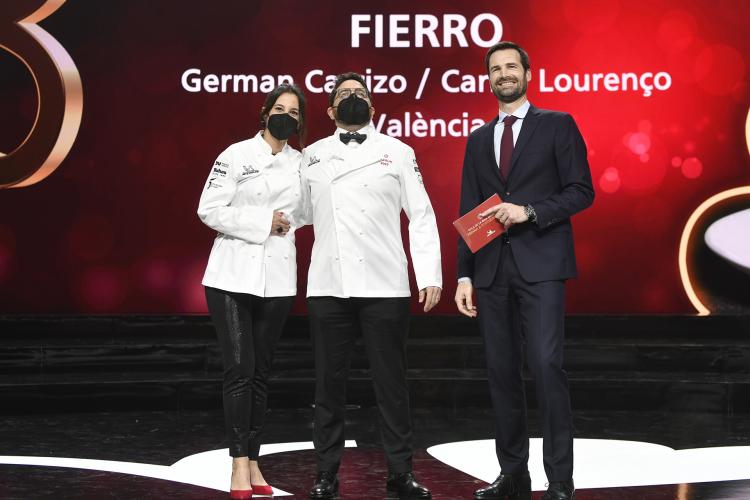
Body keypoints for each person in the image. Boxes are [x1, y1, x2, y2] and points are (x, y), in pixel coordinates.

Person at [455, 42, 594, 500]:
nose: (504, 74)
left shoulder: (557, 124)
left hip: (542, 266)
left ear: (528, 74)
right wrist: (463, 275)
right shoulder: (478, 139)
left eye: (511, 66)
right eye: (496, 69)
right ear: (489, 79)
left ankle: (560, 479)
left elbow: (581, 191)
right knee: (501, 372)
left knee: (546, 366)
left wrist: (529, 212)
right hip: (491, 271)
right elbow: (470, 209)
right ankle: (513, 473)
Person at [298, 72, 442, 499]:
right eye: (344, 94)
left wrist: (429, 274)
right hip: (328, 284)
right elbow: (298, 213)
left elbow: (421, 214)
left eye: (359, 93)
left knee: (391, 385)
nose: (352, 97)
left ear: (373, 107)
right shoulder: (311, 156)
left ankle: (400, 471)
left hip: (385, 284)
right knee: (328, 386)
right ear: (330, 111)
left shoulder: (398, 151)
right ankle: (325, 473)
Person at [197, 83, 307, 500]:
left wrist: (288, 223)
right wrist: (264, 222)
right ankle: (238, 463)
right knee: (240, 370)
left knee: (261, 373)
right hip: (231, 276)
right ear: (265, 112)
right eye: (280, 109)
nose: (286, 118)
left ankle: (255, 460)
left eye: (294, 113)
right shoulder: (235, 155)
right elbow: (209, 209)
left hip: (278, 278)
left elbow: (308, 211)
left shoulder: (302, 163)